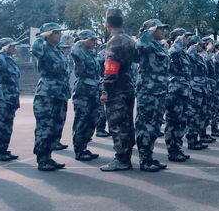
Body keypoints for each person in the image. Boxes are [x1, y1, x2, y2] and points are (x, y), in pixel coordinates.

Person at [99, 9, 138, 172]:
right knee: (127, 123)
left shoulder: (114, 41)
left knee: (117, 125)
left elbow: (111, 68)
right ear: (123, 22)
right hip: (128, 86)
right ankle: (126, 156)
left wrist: (105, 90)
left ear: (107, 23)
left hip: (116, 89)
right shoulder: (129, 40)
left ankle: (121, 159)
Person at [31, 23, 70, 171]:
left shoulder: (57, 50)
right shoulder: (43, 47)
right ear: (48, 34)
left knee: (56, 127)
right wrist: (42, 36)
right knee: (45, 127)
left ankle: (48, 156)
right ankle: (42, 159)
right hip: (46, 94)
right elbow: (35, 49)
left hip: (60, 94)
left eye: (59, 32)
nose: (59, 35)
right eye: (56, 32)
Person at [133, 19, 170, 172]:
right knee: (145, 126)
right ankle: (144, 160)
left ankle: (149, 156)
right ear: (152, 30)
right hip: (148, 92)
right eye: (160, 28)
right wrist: (147, 32)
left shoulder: (156, 45)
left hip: (159, 91)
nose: (163, 31)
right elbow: (139, 45)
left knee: (155, 126)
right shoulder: (145, 43)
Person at [0, 37, 21, 161]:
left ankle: (3, 149)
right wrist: (2, 51)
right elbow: (0, 64)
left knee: (7, 125)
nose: (14, 48)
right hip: (1, 96)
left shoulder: (10, 60)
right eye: (12, 46)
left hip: (11, 96)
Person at [70, 30, 101, 162]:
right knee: (81, 121)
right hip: (83, 92)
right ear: (83, 40)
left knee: (92, 120)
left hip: (93, 92)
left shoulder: (90, 54)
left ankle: (84, 147)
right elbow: (75, 51)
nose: (94, 42)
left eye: (95, 39)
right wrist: (80, 41)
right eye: (91, 39)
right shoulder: (78, 51)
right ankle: (79, 150)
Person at [165, 28, 192, 162]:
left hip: (183, 92)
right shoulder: (174, 50)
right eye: (185, 37)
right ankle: (173, 151)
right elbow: (173, 53)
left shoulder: (183, 53)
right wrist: (178, 41)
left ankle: (178, 148)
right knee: (173, 122)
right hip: (175, 92)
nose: (188, 39)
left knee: (181, 122)